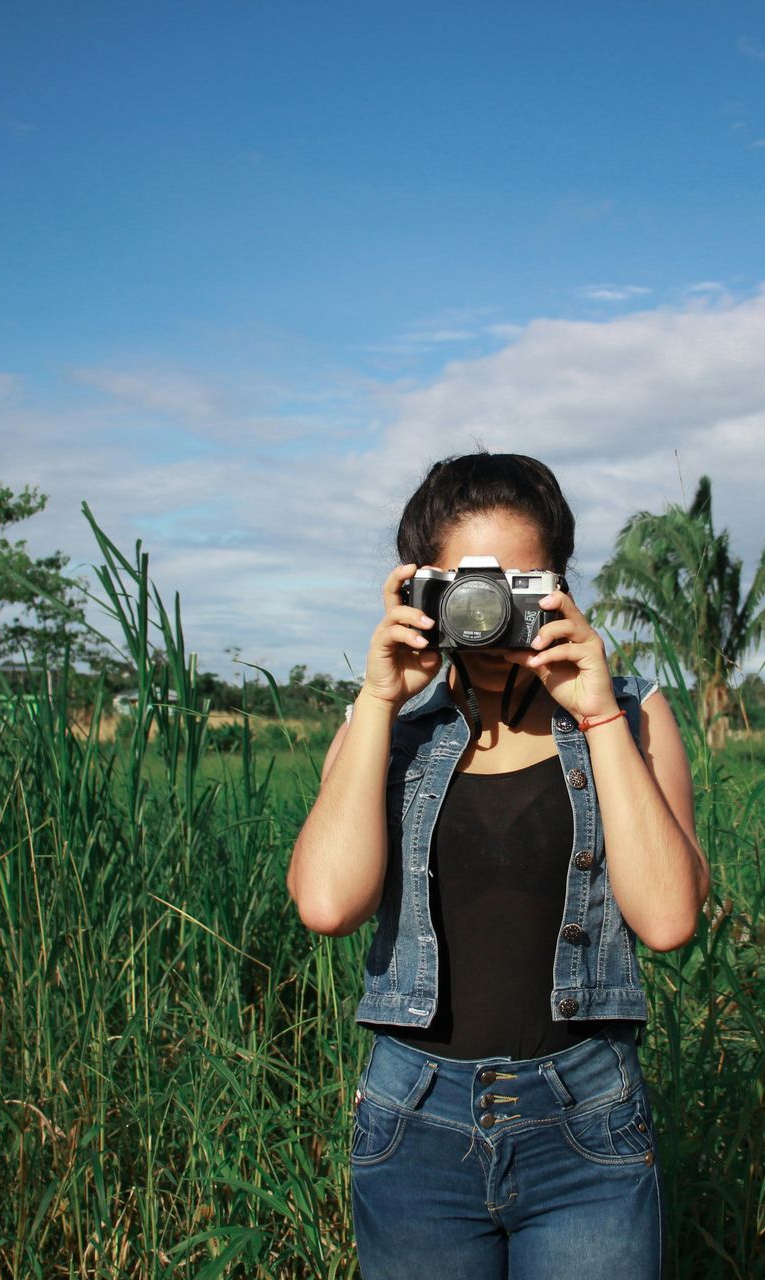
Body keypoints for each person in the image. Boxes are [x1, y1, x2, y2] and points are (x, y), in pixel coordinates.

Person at [287, 453, 708, 1278]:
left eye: (514, 588)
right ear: (415, 592)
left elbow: (667, 921)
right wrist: (379, 701)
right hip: (415, 1124)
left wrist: (594, 714)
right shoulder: (387, 724)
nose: (483, 616)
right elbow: (328, 905)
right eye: (461, 591)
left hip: (589, 1122)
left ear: (558, 589)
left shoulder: (629, 711)